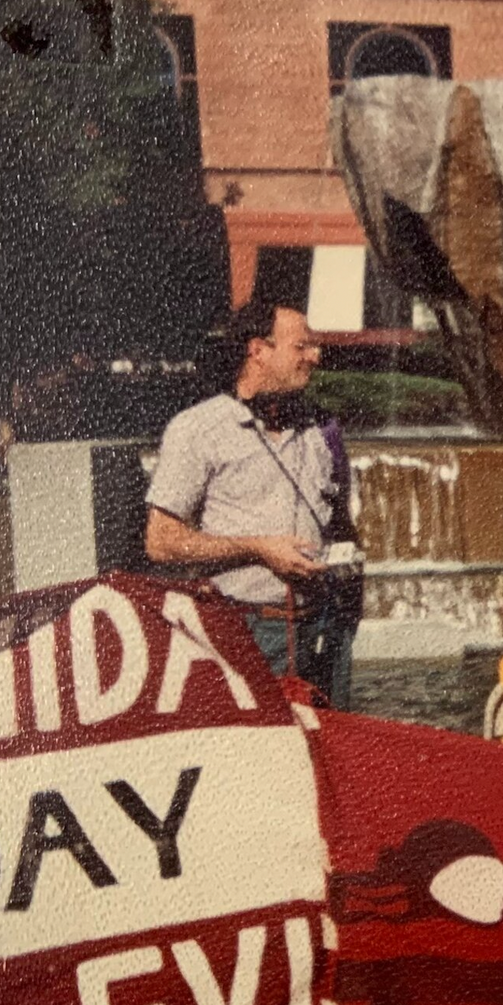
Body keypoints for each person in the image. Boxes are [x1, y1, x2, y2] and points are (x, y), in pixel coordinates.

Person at [145, 300, 362, 707]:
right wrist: (259, 549)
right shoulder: (196, 430)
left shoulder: (322, 429)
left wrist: (347, 620)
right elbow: (160, 541)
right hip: (246, 632)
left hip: (323, 634)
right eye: (301, 347)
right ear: (258, 350)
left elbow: (343, 527)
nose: (315, 356)